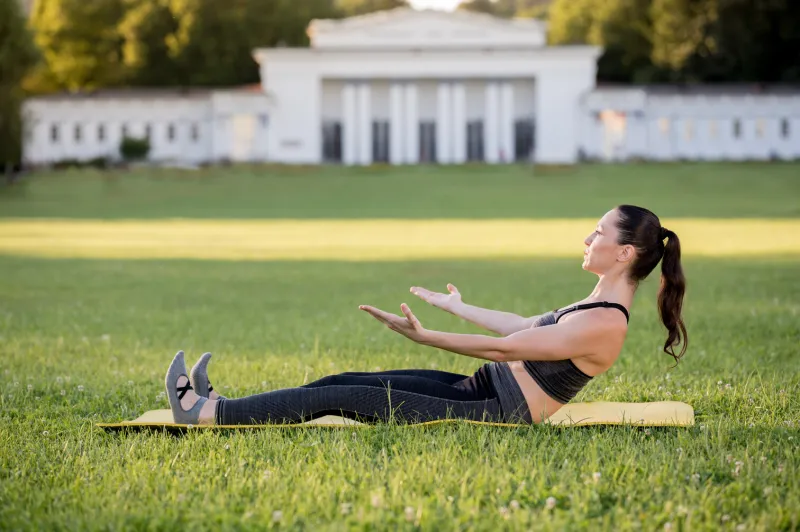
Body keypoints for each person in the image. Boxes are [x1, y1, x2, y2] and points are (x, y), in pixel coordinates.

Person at [164, 204, 687, 426]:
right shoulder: (596, 304)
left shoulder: (606, 321)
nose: (587, 237)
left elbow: (509, 349)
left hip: (494, 413)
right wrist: (459, 308)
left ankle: (205, 415)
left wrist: (426, 336)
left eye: (598, 232)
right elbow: (521, 327)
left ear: (624, 253)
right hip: (482, 389)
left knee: (346, 398)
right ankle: (219, 404)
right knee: (349, 380)